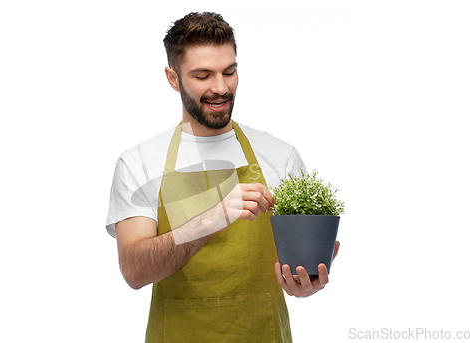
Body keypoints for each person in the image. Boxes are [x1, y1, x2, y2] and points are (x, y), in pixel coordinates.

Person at [106, 12, 340, 343]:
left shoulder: (279, 155)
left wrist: (304, 283)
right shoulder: (140, 162)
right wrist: (212, 218)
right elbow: (134, 270)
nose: (221, 88)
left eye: (229, 72)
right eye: (203, 75)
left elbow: (295, 269)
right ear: (173, 79)